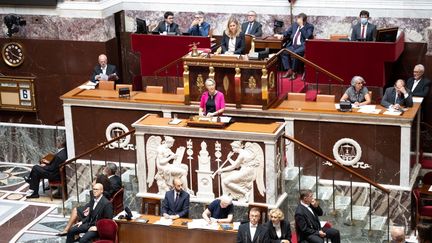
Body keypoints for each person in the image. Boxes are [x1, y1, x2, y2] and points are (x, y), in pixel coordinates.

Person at [275, 13, 314, 79]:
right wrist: (282, 35)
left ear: (304, 21)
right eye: (297, 19)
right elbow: (287, 32)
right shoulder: (295, 25)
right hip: (293, 45)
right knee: (283, 52)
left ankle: (294, 71)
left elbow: (307, 36)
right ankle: (289, 70)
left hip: (303, 46)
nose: (298, 21)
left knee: (295, 53)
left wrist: (301, 26)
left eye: (299, 20)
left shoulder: (309, 26)